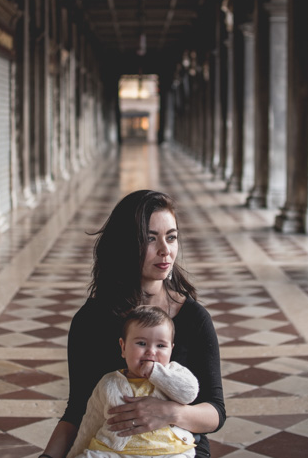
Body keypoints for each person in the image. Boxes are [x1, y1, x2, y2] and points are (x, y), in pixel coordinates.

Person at [39, 190, 226, 458]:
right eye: (150, 239)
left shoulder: (194, 318)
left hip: (177, 450)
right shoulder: (91, 320)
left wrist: (169, 413)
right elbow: (78, 409)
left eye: (171, 237)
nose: (165, 250)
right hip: (110, 449)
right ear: (126, 244)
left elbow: (216, 411)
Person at [68, 305, 199, 458]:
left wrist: (156, 373)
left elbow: (189, 394)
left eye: (161, 346)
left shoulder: (175, 372)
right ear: (123, 347)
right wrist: (74, 453)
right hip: (113, 451)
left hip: (169, 451)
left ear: (171, 349)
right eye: (141, 343)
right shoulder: (109, 383)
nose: (151, 351)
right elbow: (90, 423)